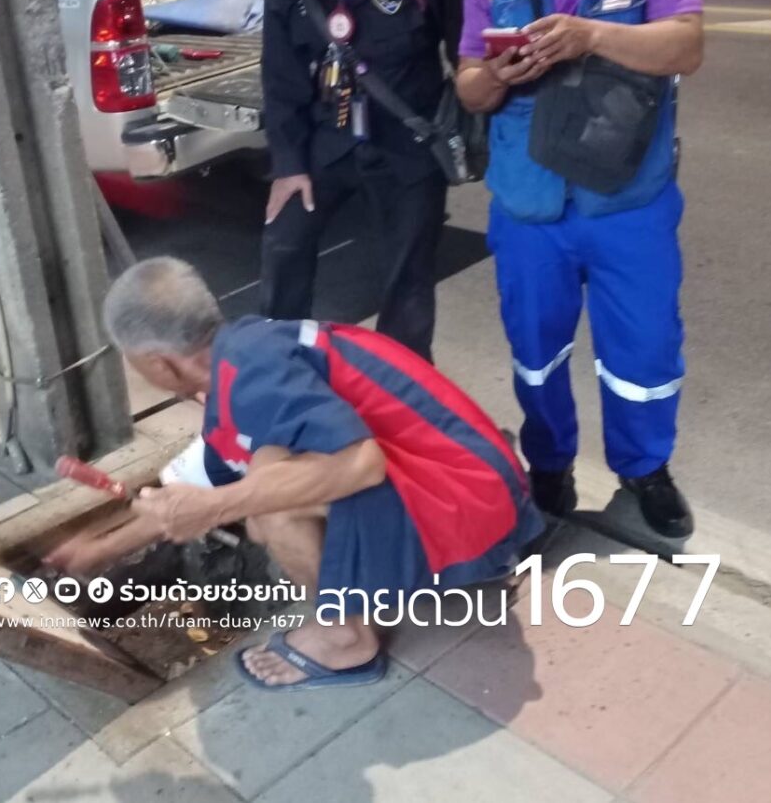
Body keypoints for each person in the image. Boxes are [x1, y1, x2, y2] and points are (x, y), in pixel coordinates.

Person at [48, 258, 543, 691]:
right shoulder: (244, 361)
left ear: (159, 364)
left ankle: (346, 639)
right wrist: (101, 550)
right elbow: (193, 490)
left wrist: (220, 506)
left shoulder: (253, 372)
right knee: (263, 482)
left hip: (475, 504)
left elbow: (361, 463)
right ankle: (382, 592)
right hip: (476, 489)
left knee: (272, 508)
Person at [456, 0, 704, 538]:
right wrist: (499, 75)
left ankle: (645, 469)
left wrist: (591, 36)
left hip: (629, 197)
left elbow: (685, 45)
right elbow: (468, 87)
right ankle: (549, 462)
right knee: (535, 351)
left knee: (644, 348)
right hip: (530, 205)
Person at [240, 0, 465, 362]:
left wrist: (475, 113)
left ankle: (401, 388)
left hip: (409, 138)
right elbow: (281, 77)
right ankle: (281, 370)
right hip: (332, 134)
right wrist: (289, 165)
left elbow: (465, 39)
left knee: (407, 289)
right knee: (284, 241)